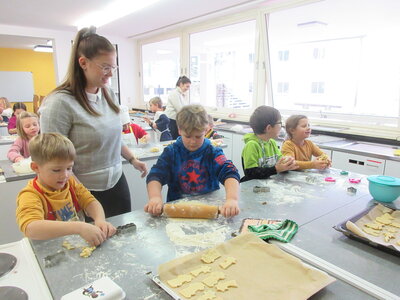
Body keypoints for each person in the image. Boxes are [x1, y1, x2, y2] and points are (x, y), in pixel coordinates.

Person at [39, 26, 147, 218]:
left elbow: (111, 136)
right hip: (80, 189)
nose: (110, 74)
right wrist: (81, 196)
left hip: (116, 182)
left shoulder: (108, 94)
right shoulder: (59, 103)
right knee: (90, 243)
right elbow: (52, 158)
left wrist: (132, 159)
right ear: (83, 63)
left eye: (113, 67)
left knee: (122, 233)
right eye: (105, 67)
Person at [16, 133, 116, 246]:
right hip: (48, 252)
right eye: (56, 170)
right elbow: (30, 227)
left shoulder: (70, 183)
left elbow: (90, 201)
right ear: (36, 167)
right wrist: (79, 227)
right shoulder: (30, 195)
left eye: (69, 168)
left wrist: (100, 220)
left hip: (73, 246)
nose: (65, 175)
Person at [144, 104, 240, 218]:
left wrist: (232, 199)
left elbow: (230, 172)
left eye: (198, 136)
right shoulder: (171, 152)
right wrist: (155, 198)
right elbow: (155, 176)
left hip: (210, 211)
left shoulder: (212, 152)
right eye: (188, 136)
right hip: (179, 212)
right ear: (179, 130)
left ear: (206, 130)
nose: (193, 141)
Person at [241, 105, 298, 182]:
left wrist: (286, 164)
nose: (281, 127)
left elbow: (279, 162)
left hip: (268, 183)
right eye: (279, 123)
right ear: (268, 128)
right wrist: (276, 169)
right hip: (253, 187)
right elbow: (251, 173)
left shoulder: (272, 143)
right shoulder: (252, 145)